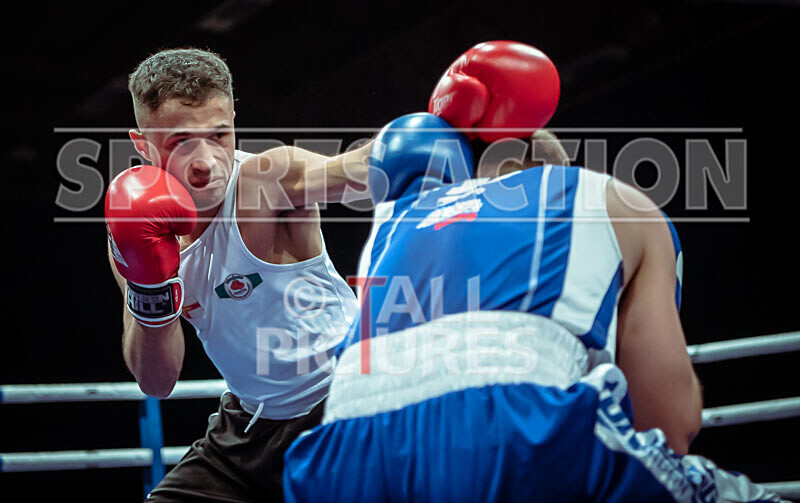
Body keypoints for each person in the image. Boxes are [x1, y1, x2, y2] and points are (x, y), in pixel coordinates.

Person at [282, 42, 785, 502]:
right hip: (519, 430)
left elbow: (297, 177)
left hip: (335, 459)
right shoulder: (610, 200)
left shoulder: (398, 215)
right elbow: (670, 424)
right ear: (554, 168)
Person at [104, 47, 372, 501]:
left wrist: (439, 133)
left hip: (344, 410)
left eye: (219, 134)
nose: (206, 160)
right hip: (247, 428)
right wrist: (150, 286)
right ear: (142, 144)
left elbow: (357, 171)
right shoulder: (131, 231)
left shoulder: (268, 180)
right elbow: (157, 381)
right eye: (179, 140)